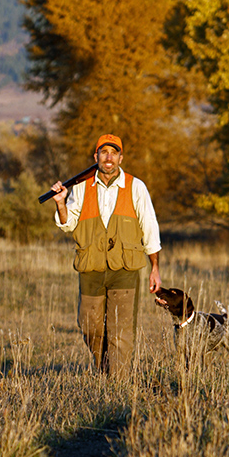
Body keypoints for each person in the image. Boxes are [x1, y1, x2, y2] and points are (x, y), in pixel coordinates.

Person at [51, 133, 161, 376]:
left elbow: (150, 227)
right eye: (104, 152)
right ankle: (105, 368)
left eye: (113, 152)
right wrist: (60, 202)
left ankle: (117, 384)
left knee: (121, 329)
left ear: (121, 158)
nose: (108, 157)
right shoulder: (80, 187)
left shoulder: (136, 187)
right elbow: (68, 224)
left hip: (125, 269)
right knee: (89, 326)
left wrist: (155, 268)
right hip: (91, 267)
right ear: (96, 157)